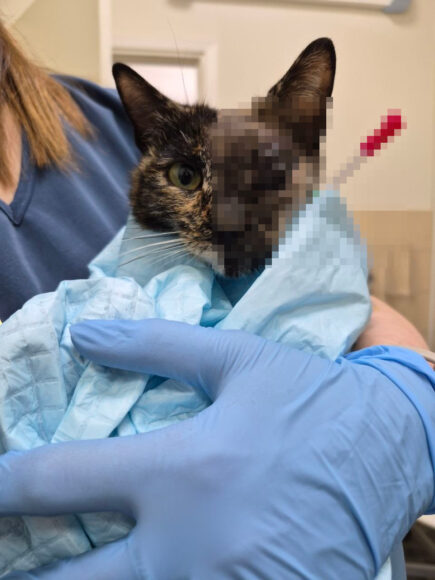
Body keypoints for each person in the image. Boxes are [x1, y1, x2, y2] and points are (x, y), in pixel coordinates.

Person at [0, 18, 434, 579]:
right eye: (187, 179)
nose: (220, 214)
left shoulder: (96, 119)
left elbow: (350, 302)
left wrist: (407, 397)